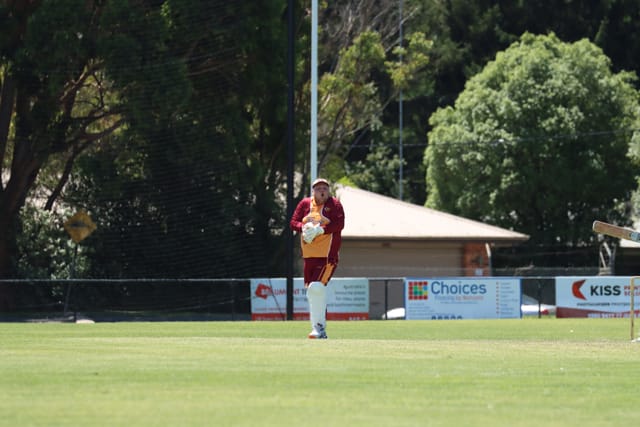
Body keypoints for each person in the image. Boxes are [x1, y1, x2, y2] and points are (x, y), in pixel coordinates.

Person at [290, 178, 345, 339]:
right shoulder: (305, 204)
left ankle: (319, 328)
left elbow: (339, 224)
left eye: (325, 188)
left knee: (316, 287)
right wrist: (303, 227)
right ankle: (319, 329)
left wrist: (320, 230)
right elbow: (293, 222)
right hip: (309, 256)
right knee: (313, 292)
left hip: (327, 256)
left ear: (329, 191)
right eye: (318, 188)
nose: (322, 191)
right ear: (313, 191)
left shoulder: (335, 205)